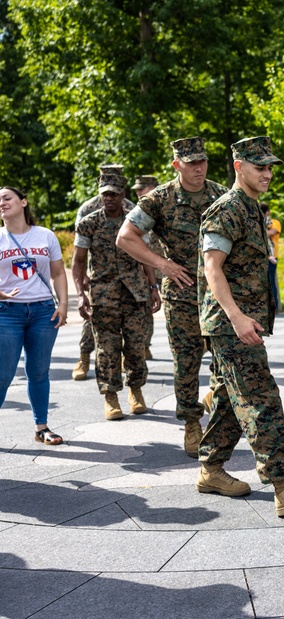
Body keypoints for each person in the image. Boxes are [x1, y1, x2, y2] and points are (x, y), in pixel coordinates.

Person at [198, 135, 284, 515]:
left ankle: (210, 468)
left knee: (229, 399)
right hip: (230, 324)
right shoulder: (227, 209)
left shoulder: (252, 208)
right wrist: (237, 317)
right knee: (261, 400)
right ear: (239, 167)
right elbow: (213, 268)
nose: (268, 173)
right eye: (260, 167)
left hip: (241, 322)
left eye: (270, 167)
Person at [117, 136, 228, 458]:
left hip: (220, 294)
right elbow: (126, 237)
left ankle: (215, 409)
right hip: (182, 295)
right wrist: (162, 264)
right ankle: (191, 422)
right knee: (187, 363)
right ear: (176, 164)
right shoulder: (159, 199)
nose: (198, 168)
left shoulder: (221, 195)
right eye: (191, 163)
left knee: (226, 361)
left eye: (202, 161)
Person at [73, 173, 160, 420]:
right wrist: (80, 294)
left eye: (114, 193)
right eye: (105, 194)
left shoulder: (136, 222)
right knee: (107, 349)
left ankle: (136, 391)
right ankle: (110, 397)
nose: (109, 198)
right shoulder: (88, 223)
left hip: (135, 293)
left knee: (135, 346)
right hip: (103, 295)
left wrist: (153, 288)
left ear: (123, 195)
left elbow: (146, 256)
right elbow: (78, 262)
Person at [0, 186, 69, 445]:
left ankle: (42, 428)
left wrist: (63, 304)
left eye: (7, 198)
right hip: (7, 313)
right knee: (3, 374)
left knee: (39, 372)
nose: (2, 203)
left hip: (42, 312)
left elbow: (59, 273)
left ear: (23, 202)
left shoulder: (45, 236)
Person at [72, 164, 135, 381]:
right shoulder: (88, 209)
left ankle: (127, 364)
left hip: (127, 280)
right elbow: (79, 249)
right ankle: (84, 357)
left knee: (127, 331)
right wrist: (84, 278)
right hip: (99, 275)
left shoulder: (130, 209)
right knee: (92, 323)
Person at [131, 175, 161, 359]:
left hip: (164, 265)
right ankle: (141, 345)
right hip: (142, 268)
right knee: (143, 307)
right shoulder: (135, 211)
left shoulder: (164, 205)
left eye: (142, 188)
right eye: (136, 190)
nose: (139, 193)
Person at [259, 202, 281, 313]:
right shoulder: (258, 223)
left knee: (271, 282)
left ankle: (275, 305)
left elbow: (270, 233)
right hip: (261, 257)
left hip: (272, 256)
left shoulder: (274, 223)